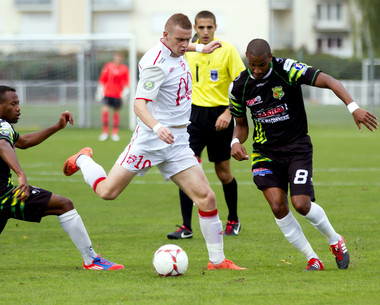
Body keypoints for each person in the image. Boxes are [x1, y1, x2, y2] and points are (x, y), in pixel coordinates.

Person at [63, 13, 246, 270]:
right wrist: (158, 127)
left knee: (207, 198)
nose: (185, 45)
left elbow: (182, 45)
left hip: (178, 141)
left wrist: (201, 47)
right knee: (107, 192)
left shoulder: (178, 47)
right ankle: (82, 159)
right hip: (150, 140)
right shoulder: (155, 65)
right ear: (164, 36)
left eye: (187, 39)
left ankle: (217, 261)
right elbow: (139, 105)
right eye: (180, 40)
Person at [0, 85, 123, 275]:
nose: (18, 109)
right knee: (64, 204)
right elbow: (3, 146)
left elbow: (23, 142)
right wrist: (21, 174)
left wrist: (57, 126)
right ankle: (91, 259)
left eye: (18, 104)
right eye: (13, 104)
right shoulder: (0, 126)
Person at [229, 38, 378, 271]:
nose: (257, 70)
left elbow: (329, 80)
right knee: (278, 205)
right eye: (252, 65)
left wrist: (353, 107)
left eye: (262, 65)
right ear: (247, 59)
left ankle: (335, 240)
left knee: (300, 203)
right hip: (264, 153)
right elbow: (241, 125)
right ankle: (312, 258)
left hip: (296, 147)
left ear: (271, 58)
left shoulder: (287, 70)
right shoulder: (239, 85)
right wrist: (236, 141)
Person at [166, 10, 246, 240]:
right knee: (184, 169)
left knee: (223, 173)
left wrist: (229, 113)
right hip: (192, 117)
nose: (205, 32)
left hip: (220, 117)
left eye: (209, 27)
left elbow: (241, 86)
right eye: (201, 28)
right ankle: (186, 227)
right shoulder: (187, 51)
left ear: (215, 27)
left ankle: (233, 219)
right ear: (195, 28)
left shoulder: (228, 50)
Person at [97, 51, 130, 141]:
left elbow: (127, 82)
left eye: (119, 58)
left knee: (116, 112)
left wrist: (126, 91)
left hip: (117, 94)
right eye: (117, 57)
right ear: (114, 58)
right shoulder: (108, 66)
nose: (118, 59)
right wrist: (100, 89)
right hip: (107, 93)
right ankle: (105, 132)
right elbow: (102, 78)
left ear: (121, 59)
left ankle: (115, 133)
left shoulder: (124, 69)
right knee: (105, 110)